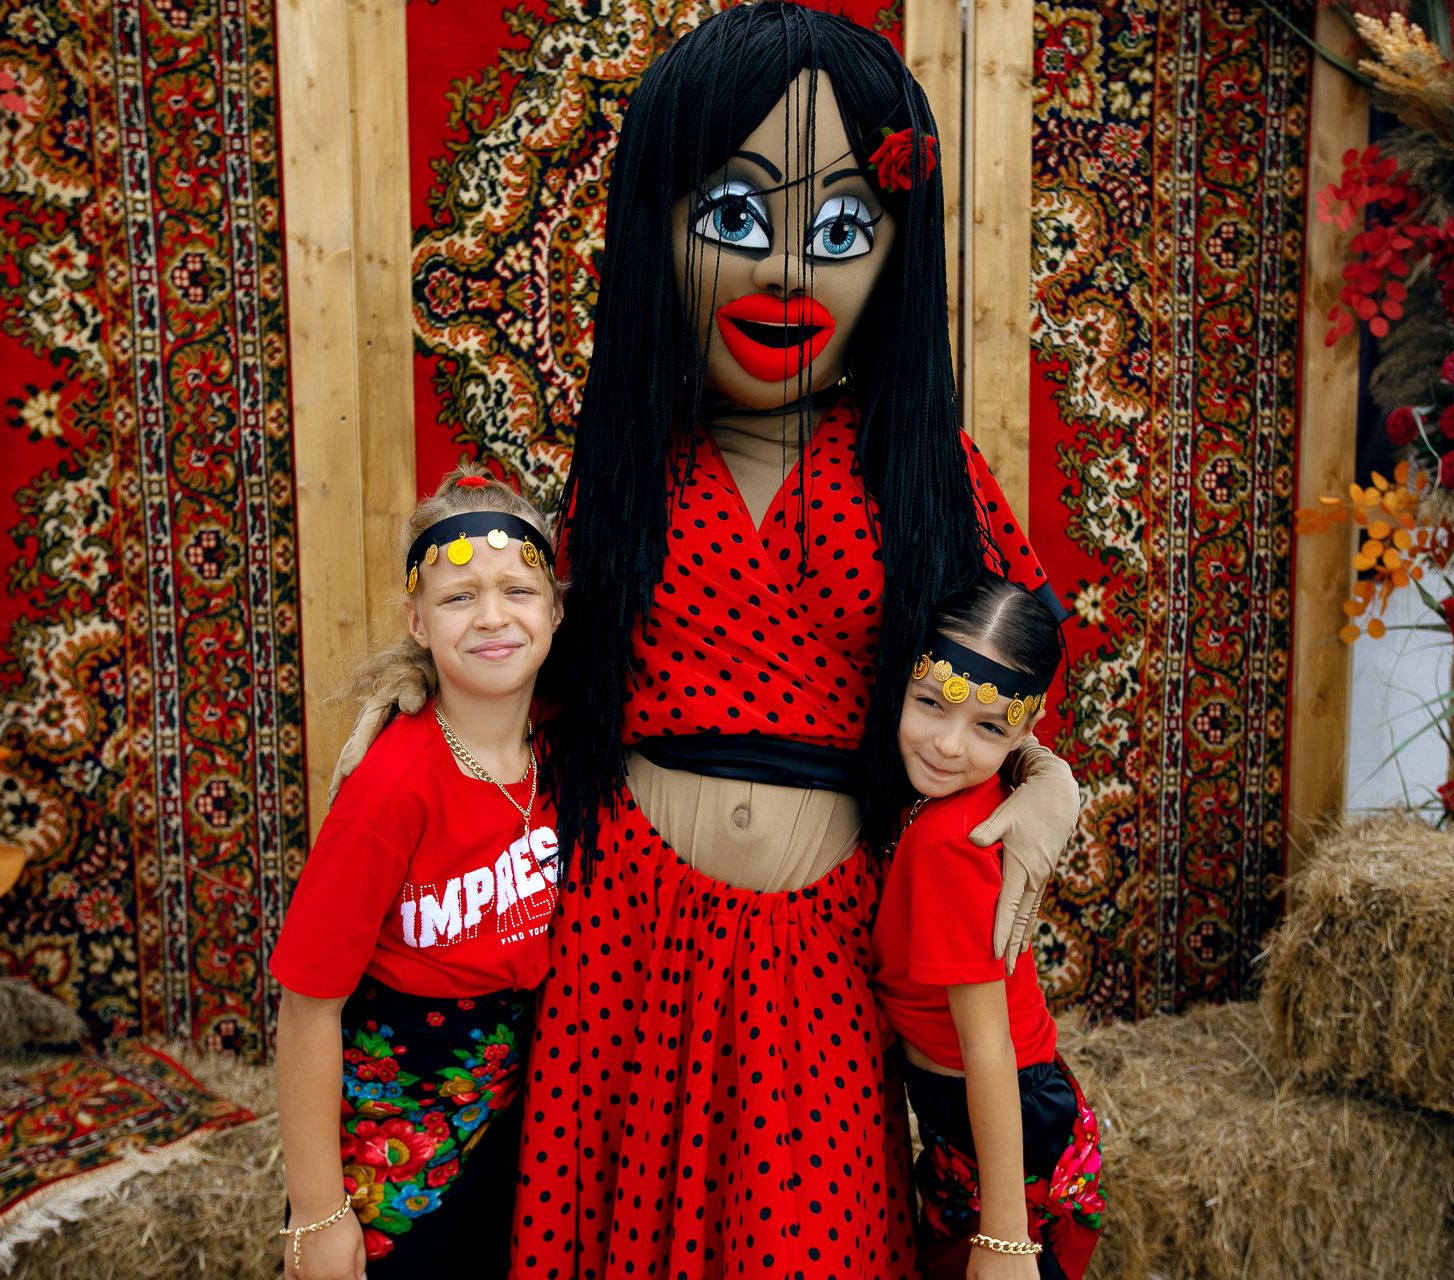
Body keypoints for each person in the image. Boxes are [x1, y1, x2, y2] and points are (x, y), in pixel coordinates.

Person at [329, 7, 1080, 1277]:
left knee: (812, 1238)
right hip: (625, 930)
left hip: (822, 947)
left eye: (838, 230)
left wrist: (1047, 778)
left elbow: (1013, 665)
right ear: (659, 234)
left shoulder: (926, 472)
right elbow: (543, 656)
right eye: (734, 214)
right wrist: (417, 689)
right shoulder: (629, 464)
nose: (785, 270)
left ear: (896, 256)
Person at [270, 467, 565, 1279]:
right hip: (402, 1128)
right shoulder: (392, 789)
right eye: (459, 597)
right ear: (418, 622)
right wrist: (317, 1212)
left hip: (521, 1114)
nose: (493, 616)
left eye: (518, 590)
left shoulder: (566, 746)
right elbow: (306, 1009)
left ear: (555, 610)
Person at [875, 575, 1105, 1280]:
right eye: (930, 704)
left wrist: (1005, 1239)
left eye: (988, 728)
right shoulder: (949, 798)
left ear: (1026, 732)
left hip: (1002, 1119)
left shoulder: (950, 841)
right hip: (992, 1108)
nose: (948, 745)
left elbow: (987, 1045)